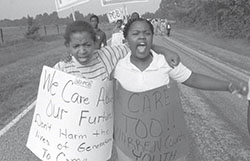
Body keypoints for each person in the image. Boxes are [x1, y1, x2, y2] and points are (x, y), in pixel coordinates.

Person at [113, 18, 248, 161]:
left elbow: (193, 78)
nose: (141, 37)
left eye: (147, 33)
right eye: (135, 33)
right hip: (131, 147)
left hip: (165, 147)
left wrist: (228, 86)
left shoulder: (164, 62)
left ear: (152, 37)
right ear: (126, 38)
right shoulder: (118, 65)